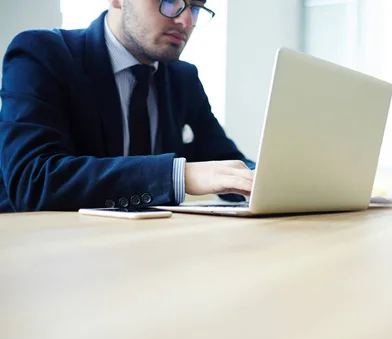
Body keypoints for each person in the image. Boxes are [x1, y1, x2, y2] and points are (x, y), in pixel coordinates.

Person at [0, 0, 254, 212]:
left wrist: (268, 180)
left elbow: (226, 161)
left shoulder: (183, 78)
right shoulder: (43, 54)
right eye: (169, 1)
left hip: (150, 248)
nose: (186, 21)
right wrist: (178, 175)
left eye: (196, 8)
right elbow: (32, 180)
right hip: (48, 250)